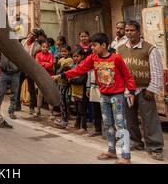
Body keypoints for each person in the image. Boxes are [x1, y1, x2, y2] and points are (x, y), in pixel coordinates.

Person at [55, 33, 137, 164]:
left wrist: (131, 92)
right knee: (108, 124)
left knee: (120, 125)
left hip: (117, 97)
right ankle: (111, 150)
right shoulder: (93, 58)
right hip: (103, 96)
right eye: (92, 45)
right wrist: (63, 75)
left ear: (104, 45)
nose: (92, 47)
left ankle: (126, 157)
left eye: (95, 45)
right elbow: (79, 69)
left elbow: (128, 76)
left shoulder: (116, 59)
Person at [117, 20, 165, 161]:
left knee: (149, 119)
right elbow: (118, 70)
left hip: (144, 90)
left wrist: (152, 88)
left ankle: (155, 147)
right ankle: (136, 142)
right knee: (130, 118)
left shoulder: (150, 49)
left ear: (139, 32)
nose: (129, 33)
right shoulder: (120, 48)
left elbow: (157, 71)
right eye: (127, 30)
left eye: (132, 30)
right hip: (128, 90)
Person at [16, 28, 45, 114]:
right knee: (18, 87)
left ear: (36, 37)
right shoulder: (23, 42)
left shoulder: (37, 46)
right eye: (30, 33)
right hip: (21, 67)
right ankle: (17, 105)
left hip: (30, 69)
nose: (31, 35)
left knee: (31, 88)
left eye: (33, 35)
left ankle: (32, 107)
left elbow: (35, 59)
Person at [68, 48, 88, 135]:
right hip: (75, 91)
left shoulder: (83, 66)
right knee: (77, 109)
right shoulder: (74, 66)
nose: (75, 58)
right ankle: (77, 125)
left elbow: (82, 80)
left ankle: (84, 127)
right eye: (74, 56)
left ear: (82, 56)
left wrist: (71, 80)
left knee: (82, 110)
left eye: (77, 56)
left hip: (83, 91)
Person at [54, 45, 73, 128]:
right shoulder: (61, 59)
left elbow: (65, 68)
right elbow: (57, 67)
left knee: (64, 102)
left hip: (65, 83)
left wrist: (61, 69)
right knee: (61, 101)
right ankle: (63, 118)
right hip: (60, 82)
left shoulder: (70, 60)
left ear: (69, 52)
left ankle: (65, 120)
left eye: (65, 51)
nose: (63, 53)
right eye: (61, 51)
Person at [35, 41, 55, 118]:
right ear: (41, 47)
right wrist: (45, 64)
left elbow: (51, 65)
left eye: (46, 47)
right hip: (41, 77)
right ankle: (38, 110)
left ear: (49, 48)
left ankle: (51, 113)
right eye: (43, 47)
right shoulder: (38, 55)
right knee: (40, 95)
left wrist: (42, 64)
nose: (45, 48)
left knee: (49, 95)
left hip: (49, 77)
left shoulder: (51, 56)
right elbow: (37, 64)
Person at [0, 52, 20, 120]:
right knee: (0, 92)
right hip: (4, 73)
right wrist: (0, 66)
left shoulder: (18, 47)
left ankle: (11, 112)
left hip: (15, 74)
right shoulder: (3, 46)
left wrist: (18, 68)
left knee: (14, 94)